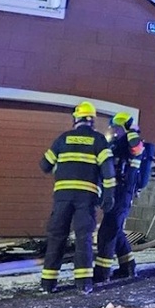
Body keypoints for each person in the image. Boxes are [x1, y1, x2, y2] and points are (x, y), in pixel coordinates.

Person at [38, 101, 115, 293]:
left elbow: (44, 165)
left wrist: (62, 166)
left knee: (57, 236)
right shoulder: (99, 140)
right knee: (83, 237)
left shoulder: (63, 139)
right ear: (92, 121)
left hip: (62, 196)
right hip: (86, 198)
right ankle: (83, 283)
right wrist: (108, 195)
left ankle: (48, 283)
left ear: (76, 119)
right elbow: (108, 171)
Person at [94, 112, 150, 282]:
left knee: (107, 232)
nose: (114, 131)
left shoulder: (132, 142)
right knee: (116, 231)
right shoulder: (118, 144)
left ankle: (102, 272)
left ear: (124, 127)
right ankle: (128, 267)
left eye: (117, 128)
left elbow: (137, 148)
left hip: (123, 193)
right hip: (116, 193)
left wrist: (130, 130)